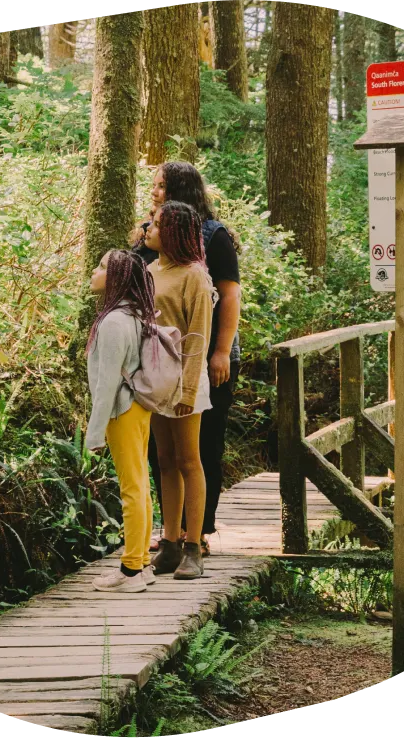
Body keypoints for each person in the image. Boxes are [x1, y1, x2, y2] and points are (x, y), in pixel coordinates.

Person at [133, 162, 241, 557]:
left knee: (202, 448)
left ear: (180, 190)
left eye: (161, 186)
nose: (154, 192)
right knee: (162, 455)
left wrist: (222, 351)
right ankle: (172, 534)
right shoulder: (151, 238)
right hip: (158, 363)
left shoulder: (212, 238)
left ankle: (199, 533)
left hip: (203, 356)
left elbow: (228, 295)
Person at [143, 201, 215, 580]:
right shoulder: (150, 270)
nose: (147, 229)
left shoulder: (195, 277)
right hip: (156, 379)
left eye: (154, 225)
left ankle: (193, 547)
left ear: (172, 233)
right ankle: (169, 543)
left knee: (189, 460)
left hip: (186, 378)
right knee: (165, 460)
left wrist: (188, 389)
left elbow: (198, 336)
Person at [85, 250, 160, 593]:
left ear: (116, 279)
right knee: (140, 484)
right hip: (137, 408)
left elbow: (107, 383)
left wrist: (94, 431)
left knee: (132, 487)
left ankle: (131, 570)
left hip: (123, 410)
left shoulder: (114, 321)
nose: (94, 271)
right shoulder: (134, 314)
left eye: (102, 267)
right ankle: (141, 563)